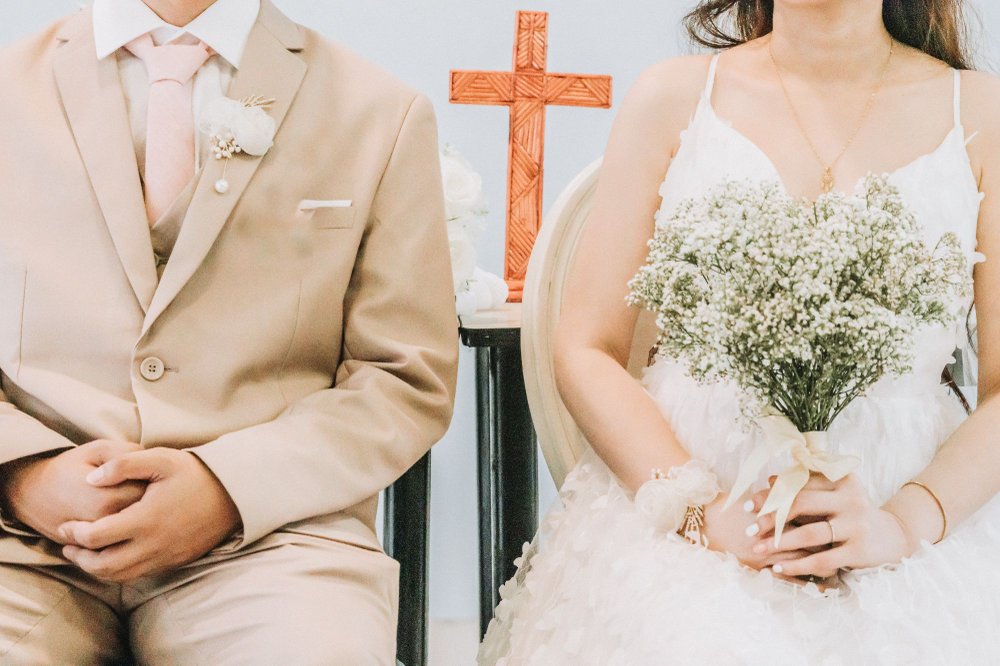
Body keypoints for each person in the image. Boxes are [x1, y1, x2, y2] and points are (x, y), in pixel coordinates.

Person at [479, 0, 1000, 663]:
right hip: (694, 517)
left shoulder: (982, 113)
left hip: (915, 515)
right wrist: (701, 512)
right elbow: (587, 349)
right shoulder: (671, 98)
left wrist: (902, 524)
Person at [0, 0, 457, 663]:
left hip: (272, 544)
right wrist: (22, 476)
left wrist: (227, 487)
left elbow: (403, 378)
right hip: (17, 545)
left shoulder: (380, 112)